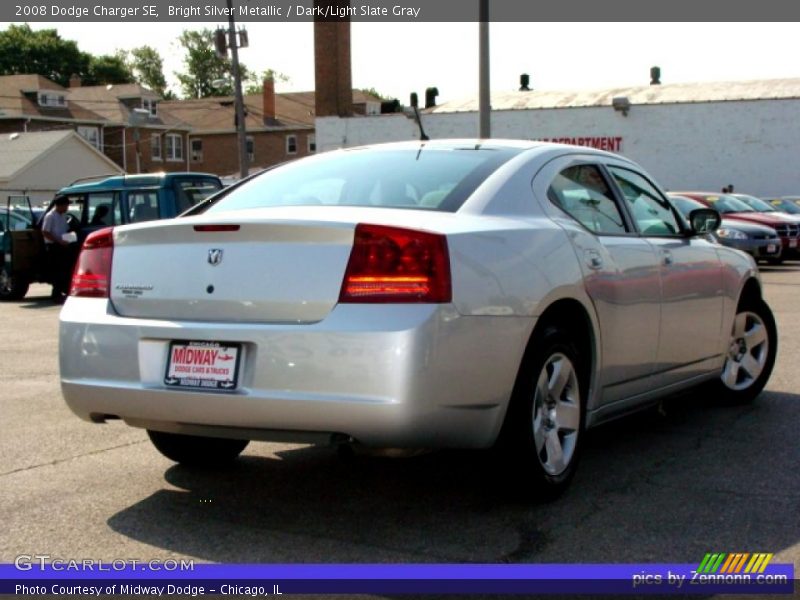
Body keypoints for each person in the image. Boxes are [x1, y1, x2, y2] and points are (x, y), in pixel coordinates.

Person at [41, 196, 76, 304]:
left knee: (64, 270)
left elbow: (64, 230)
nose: (67, 207)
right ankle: (55, 295)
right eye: (66, 205)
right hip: (54, 247)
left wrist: (71, 237)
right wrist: (59, 241)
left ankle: (62, 292)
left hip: (63, 245)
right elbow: (45, 232)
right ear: (59, 205)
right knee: (57, 271)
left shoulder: (62, 216)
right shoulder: (50, 216)